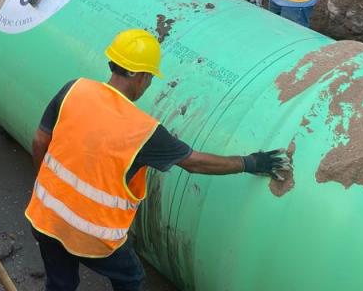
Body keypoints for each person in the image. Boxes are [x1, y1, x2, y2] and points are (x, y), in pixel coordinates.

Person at [25, 29, 289, 291]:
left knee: (61, 284)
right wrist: (248, 163)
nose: (149, 84)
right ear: (139, 76)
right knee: (131, 278)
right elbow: (194, 162)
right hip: (92, 236)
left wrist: (47, 187)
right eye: (150, 77)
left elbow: (39, 141)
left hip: (44, 214)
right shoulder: (142, 130)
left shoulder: (75, 89)